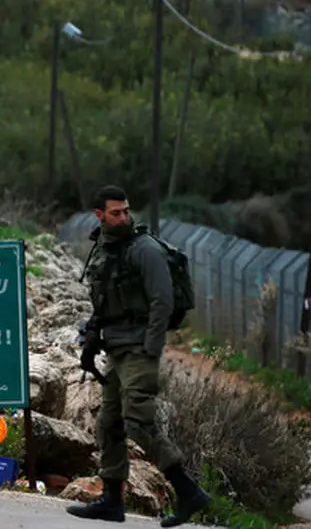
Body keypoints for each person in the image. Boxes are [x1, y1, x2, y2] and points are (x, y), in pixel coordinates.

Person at [66, 185, 210, 527]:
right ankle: (112, 501)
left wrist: (151, 347)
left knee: (139, 423)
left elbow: (163, 300)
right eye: (116, 213)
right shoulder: (106, 248)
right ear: (99, 215)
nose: (124, 217)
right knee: (108, 425)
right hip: (116, 349)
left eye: (127, 211)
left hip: (138, 349)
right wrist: (91, 340)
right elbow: (103, 301)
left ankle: (188, 491)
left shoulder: (144, 249)